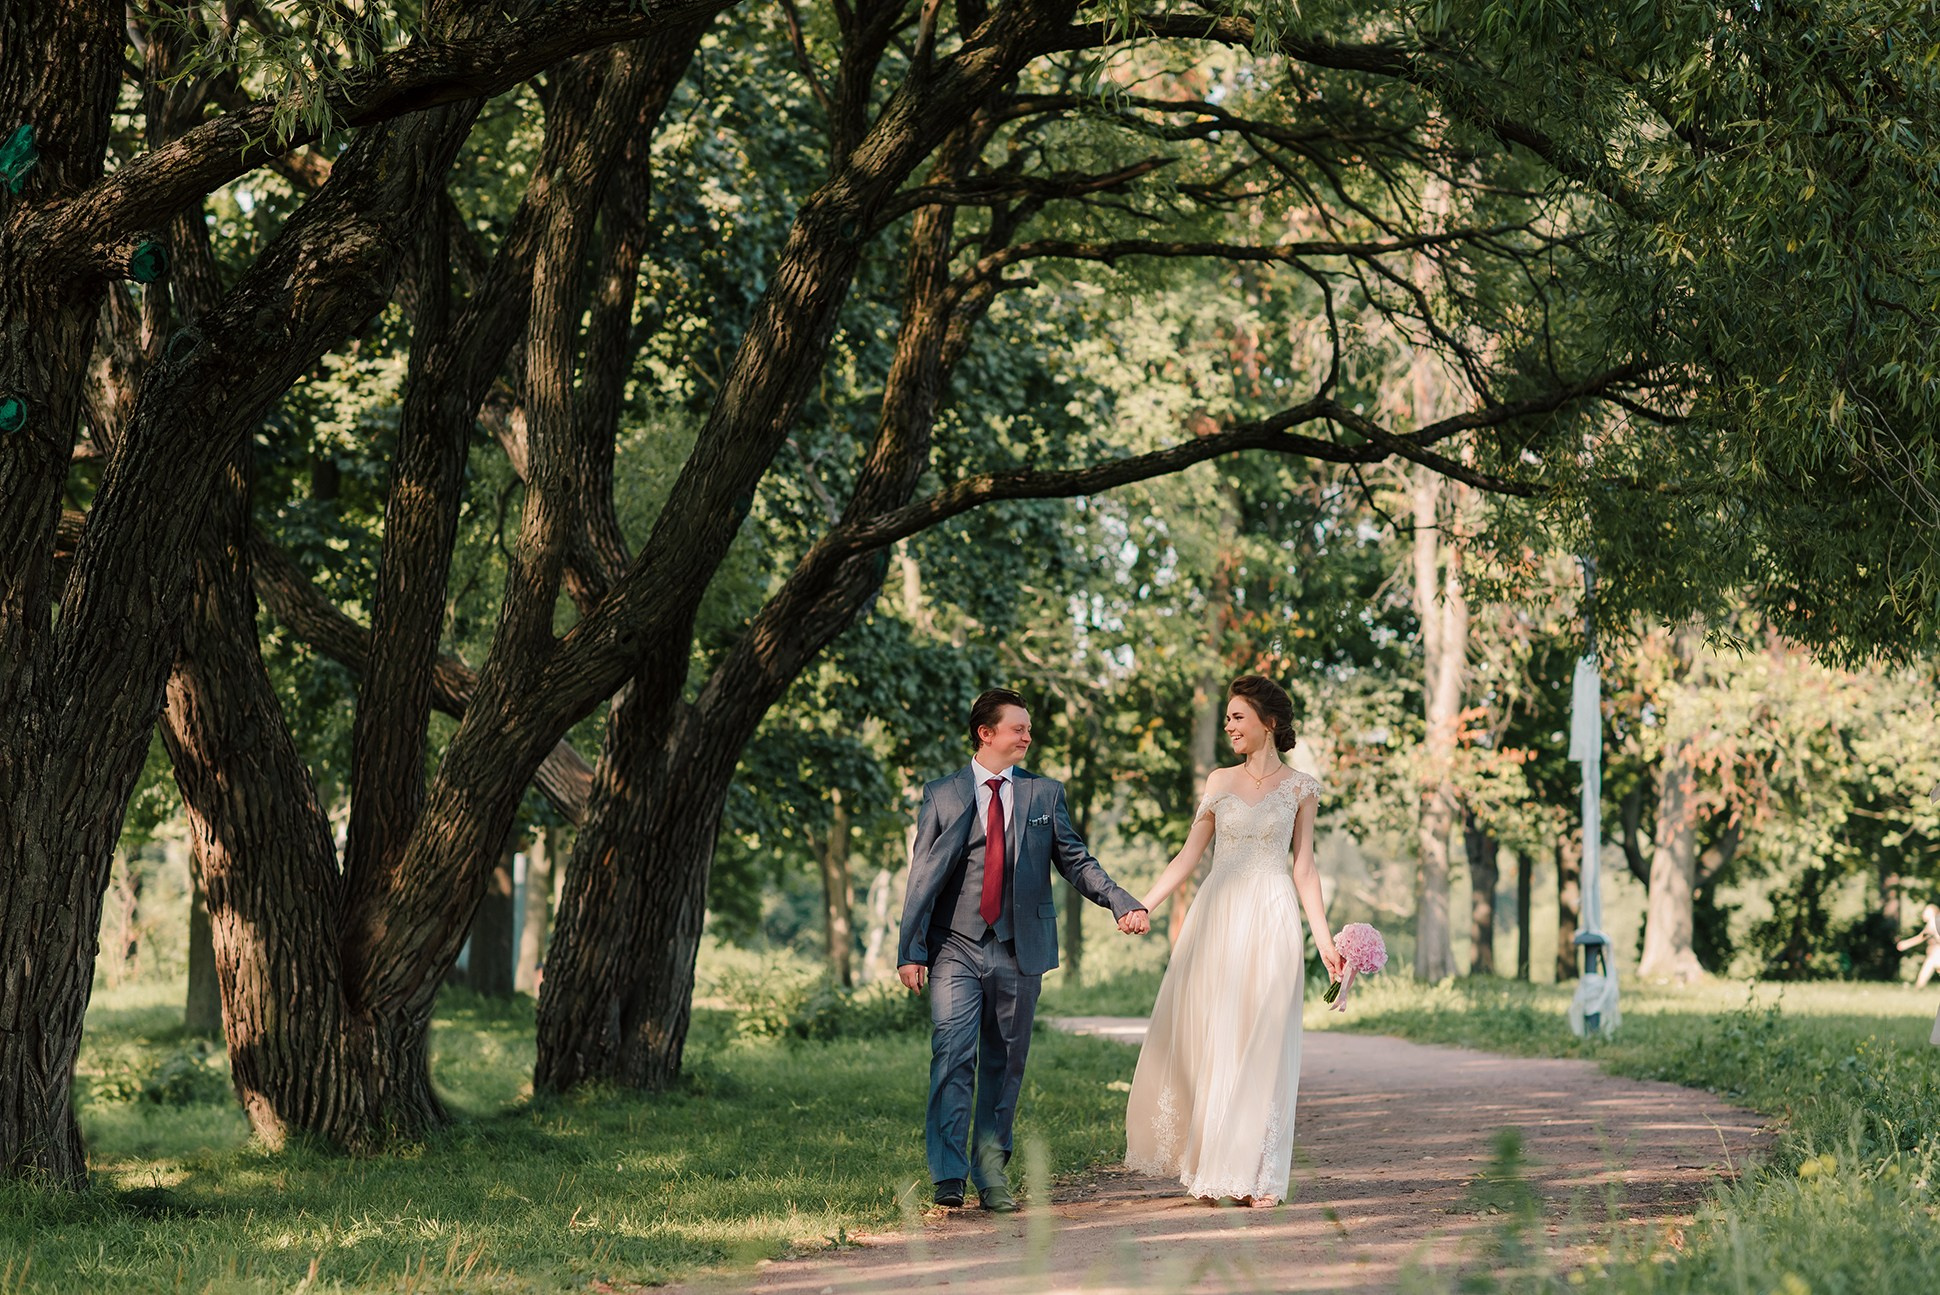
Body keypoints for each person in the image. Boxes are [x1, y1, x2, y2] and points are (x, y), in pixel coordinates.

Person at [898, 688, 1151, 1213]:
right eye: (1018, 728)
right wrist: (911, 950)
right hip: (954, 947)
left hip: (1019, 948)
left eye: (1029, 728)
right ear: (985, 733)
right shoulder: (942, 795)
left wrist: (1120, 900)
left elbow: (1076, 860)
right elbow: (922, 875)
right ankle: (949, 1175)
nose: (1027, 736)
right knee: (952, 1054)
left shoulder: (1044, 794)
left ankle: (991, 1174)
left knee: (1006, 1062)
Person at [1124, 675, 1342, 1208]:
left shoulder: (1302, 788)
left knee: (1264, 1039)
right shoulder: (1219, 780)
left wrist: (1324, 941)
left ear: (1269, 722)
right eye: (1227, 718)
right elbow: (1188, 854)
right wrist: (1143, 904)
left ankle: (1260, 1175)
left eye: (1238, 716)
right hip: (1219, 914)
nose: (1229, 726)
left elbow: (1304, 868)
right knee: (1219, 1038)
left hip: (1273, 916)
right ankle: (1215, 1166)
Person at [1898, 904, 1940, 989]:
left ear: (1933, 913)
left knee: (1926, 969)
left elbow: (1921, 938)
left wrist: (1906, 944)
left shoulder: (1933, 922)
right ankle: (1918, 988)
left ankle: (1918, 988)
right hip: (1936, 953)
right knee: (1927, 968)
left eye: (1926, 912)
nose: (1923, 914)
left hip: (1937, 953)